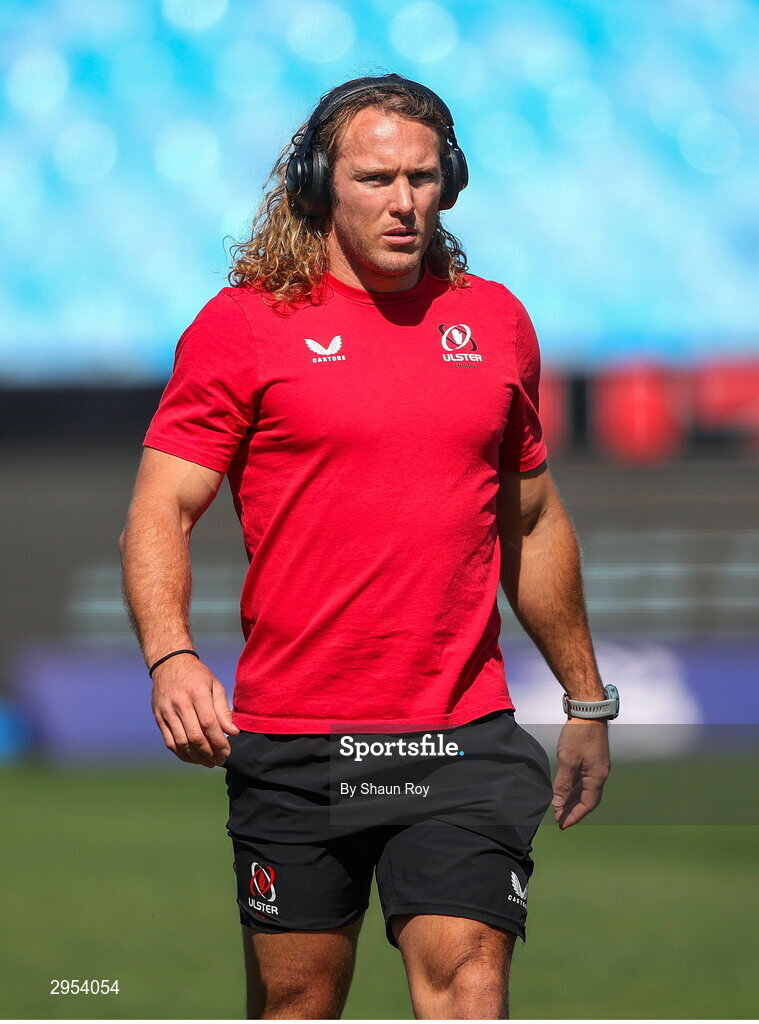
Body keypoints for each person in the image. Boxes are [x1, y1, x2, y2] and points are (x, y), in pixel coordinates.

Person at [120, 73, 616, 1020]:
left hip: (459, 735)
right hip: (297, 739)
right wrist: (170, 656)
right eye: (376, 178)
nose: (403, 202)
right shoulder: (242, 327)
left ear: (449, 184)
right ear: (318, 185)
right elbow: (159, 509)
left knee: (470, 985)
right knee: (298, 1002)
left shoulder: (495, 322)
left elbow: (533, 520)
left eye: (422, 178)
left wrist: (585, 697)